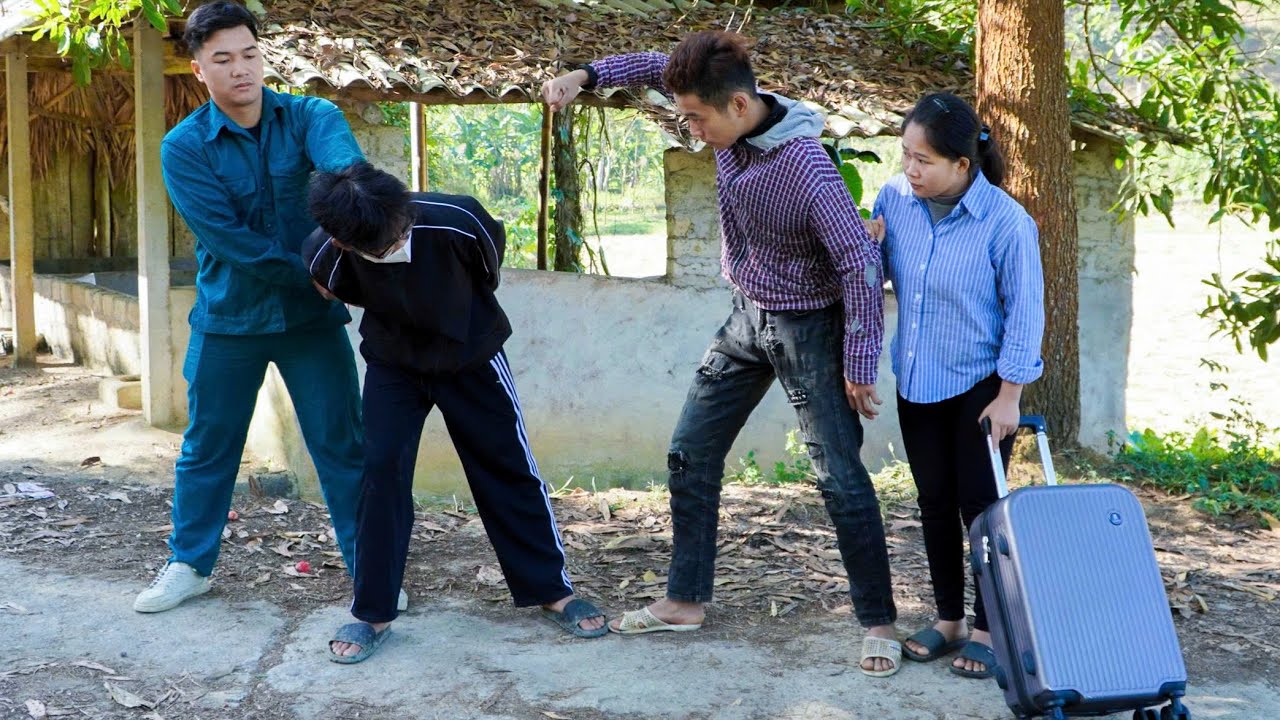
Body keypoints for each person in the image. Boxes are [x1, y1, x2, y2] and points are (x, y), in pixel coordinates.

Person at [541, 31, 902, 676]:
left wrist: (859, 359)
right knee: (691, 450)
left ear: (738, 106)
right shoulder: (722, 110)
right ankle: (685, 601)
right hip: (746, 321)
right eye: (685, 116)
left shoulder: (808, 170)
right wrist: (586, 76)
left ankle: (878, 621)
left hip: (810, 329)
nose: (692, 130)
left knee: (837, 476)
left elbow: (855, 261)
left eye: (697, 120)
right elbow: (657, 64)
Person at [135, 1, 402, 613]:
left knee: (342, 443)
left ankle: (372, 572)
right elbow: (228, 238)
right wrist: (317, 275)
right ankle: (189, 564)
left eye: (249, 55)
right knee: (208, 444)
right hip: (229, 318)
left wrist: (359, 220)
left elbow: (345, 176)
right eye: (222, 59)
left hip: (312, 323)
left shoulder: (312, 116)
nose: (240, 70)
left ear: (263, 56)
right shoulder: (184, 147)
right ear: (198, 69)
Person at [303, 161, 609, 663]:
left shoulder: (456, 220)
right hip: (394, 366)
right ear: (343, 244)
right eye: (384, 249)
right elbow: (338, 290)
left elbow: (488, 273)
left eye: (402, 233)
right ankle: (372, 611)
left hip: (472, 355)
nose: (399, 246)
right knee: (380, 471)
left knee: (507, 465)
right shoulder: (326, 254)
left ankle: (553, 590)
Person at [867, 92, 1045, 679]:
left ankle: (991, 626)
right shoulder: (894, 199)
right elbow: (880, 277)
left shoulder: (1005, 222)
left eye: (924, 160)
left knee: (982, 510)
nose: (910, 170)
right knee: (934, 504)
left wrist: (1011, 395)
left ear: (962, 165)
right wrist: (866, 248)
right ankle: (948, 620)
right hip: (917, 376)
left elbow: (1025, 313)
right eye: (905, 156)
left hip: (981, 386)